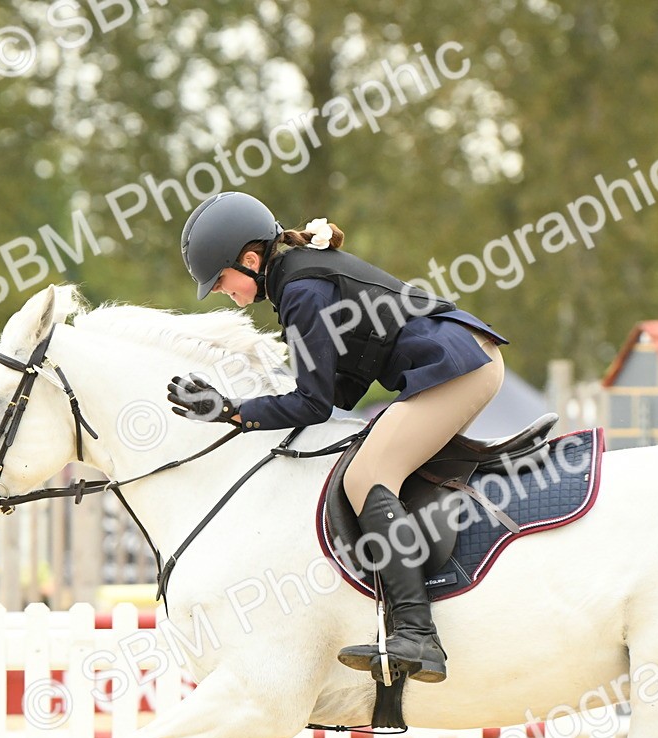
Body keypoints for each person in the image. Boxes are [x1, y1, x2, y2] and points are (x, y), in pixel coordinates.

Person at [168, 192, 507, 683]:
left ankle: (417, 634)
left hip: (459, 366)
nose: (221, 291)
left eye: (220, 280)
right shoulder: (301, 277)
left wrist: (232, 411)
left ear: (250, 259)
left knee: (368, 476)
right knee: (369, 460)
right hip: (462, 358)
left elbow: (313, 403)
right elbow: (341, 391)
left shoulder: (301, 291)